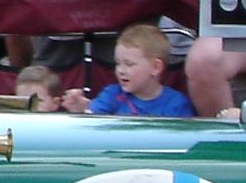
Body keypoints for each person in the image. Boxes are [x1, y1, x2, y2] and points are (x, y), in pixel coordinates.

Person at [60, 24, 194, 116]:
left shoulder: (176, 104)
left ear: (155, 67)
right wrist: (80, 110)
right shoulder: (112, 95)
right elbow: (93, 123)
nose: (121, 70)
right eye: (118, 63)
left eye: (129, 64)